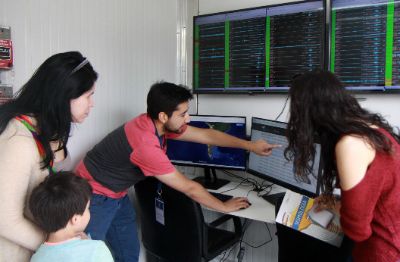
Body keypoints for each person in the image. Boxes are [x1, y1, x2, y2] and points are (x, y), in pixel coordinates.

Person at [75, 81, 279, 262]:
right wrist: (223, 206)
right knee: (84, 254)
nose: (188, 119)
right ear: (163, 116)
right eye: (182, 114)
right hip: (91, 196)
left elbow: (207, 135)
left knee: (128, 253)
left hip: (116, 193)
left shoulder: (153, 122)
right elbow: (190, 188)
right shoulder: (145, 145)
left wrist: (250, 145)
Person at [285, 71, 400, 262]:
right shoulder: (368, 127)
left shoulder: (350, 144)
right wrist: (336, 201)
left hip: (383, 252)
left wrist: (333, 206)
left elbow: (357, 231)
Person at [0, 51, 98, 262]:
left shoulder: (49, 127)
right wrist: (59, 247)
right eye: (88, 95)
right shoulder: (18, 139)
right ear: (64, 95)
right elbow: (5, 220)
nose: (93, 104)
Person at [29, 171, 114, 262]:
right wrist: (89, 243)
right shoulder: (97, 250)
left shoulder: (36, 258)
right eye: (87, 208)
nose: (89, 211)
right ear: (75, 219)